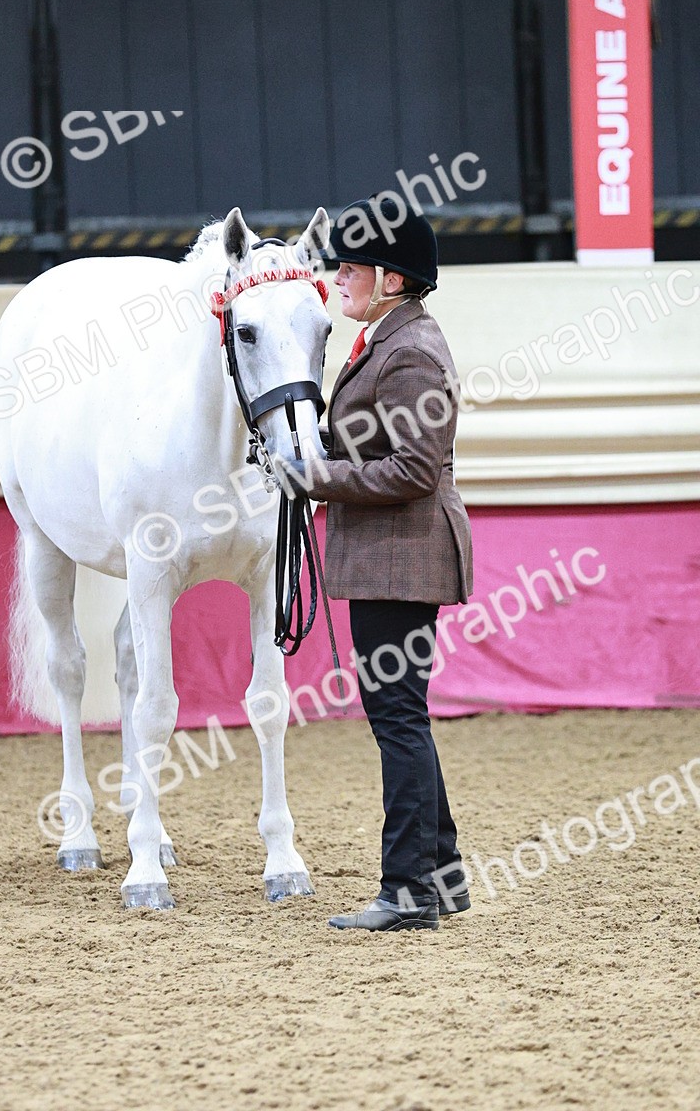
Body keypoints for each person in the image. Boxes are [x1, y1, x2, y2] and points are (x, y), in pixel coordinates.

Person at [277, 196, 473, 932]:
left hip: (405, 554)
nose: (340, 278)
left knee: (397, 721)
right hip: (391, 554)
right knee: (404, 716)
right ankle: (443, 877)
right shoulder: (388, 341)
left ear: (392, 280)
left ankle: (407, 889)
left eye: (352, 268)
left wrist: (316, 479)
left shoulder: (411, 350)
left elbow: (413, 471)